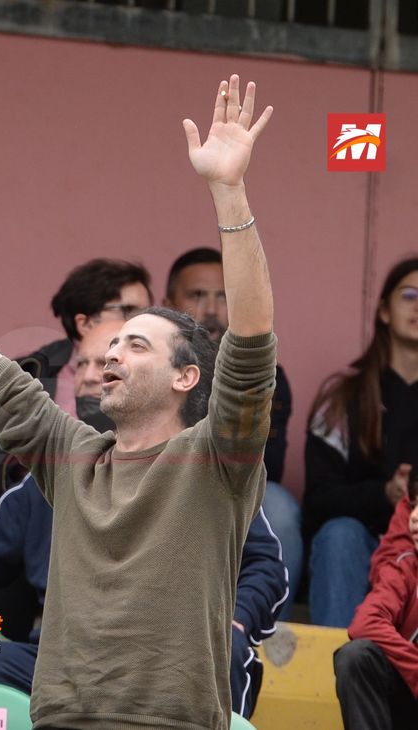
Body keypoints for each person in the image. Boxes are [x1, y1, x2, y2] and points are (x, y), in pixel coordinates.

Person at [0, 74, 275, 728]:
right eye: (109, 346)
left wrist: (228, 190)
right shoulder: (69, 455)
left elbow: (250, 339)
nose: (110, 354)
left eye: (136, 345)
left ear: (186, 378)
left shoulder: (219, 458)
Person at [0, 318, 287, 721]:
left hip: (176, 678)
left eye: (128, 350)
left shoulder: (210, 470)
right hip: (73, 671)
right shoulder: (59, 467)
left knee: (226, 653)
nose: (98, 372)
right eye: (84, 364)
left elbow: (266, 565)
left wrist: (235, 622)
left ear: (183, 378)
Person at [0, 257, 152, 506]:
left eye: (147, 312)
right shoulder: (29, 373)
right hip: (28, 525)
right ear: (84, 323)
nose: (144, 322)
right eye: (129, 311)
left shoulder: (164, 374)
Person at [164, 246, 301, 618]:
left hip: (229, 489)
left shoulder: (264, 373)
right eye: (197, 295)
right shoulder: (146, 363)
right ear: (168, 303)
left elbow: (262, 461)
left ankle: (264, 635)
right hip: (155, 486)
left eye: (224, 296)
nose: (210, 309)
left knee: (279, 507)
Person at [304, 257, 418, 627]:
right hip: (360, 550)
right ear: (384, 311)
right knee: (339, 535)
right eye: (409, 295)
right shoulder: (344, 397)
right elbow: (318, 502)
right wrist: (384, 493)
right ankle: (334, 677)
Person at [334, 487, 418, 729]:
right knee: (356, 656)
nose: (413, 516)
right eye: (413, 506)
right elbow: (365, 623)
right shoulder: (403, 568)